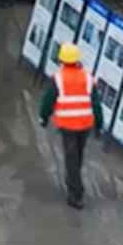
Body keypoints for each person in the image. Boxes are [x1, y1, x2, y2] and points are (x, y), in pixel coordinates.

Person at [38, 41, 97, 207]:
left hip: (68, 125)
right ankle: (73, 180)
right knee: (78, 155)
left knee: (71, 158)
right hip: (85, 124)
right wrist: (99, 124)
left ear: (61, 60)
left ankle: (76, 194)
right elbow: (96, 103)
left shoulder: (57, 79)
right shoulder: (87, 77)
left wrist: (43, 117)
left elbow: (48, 101)